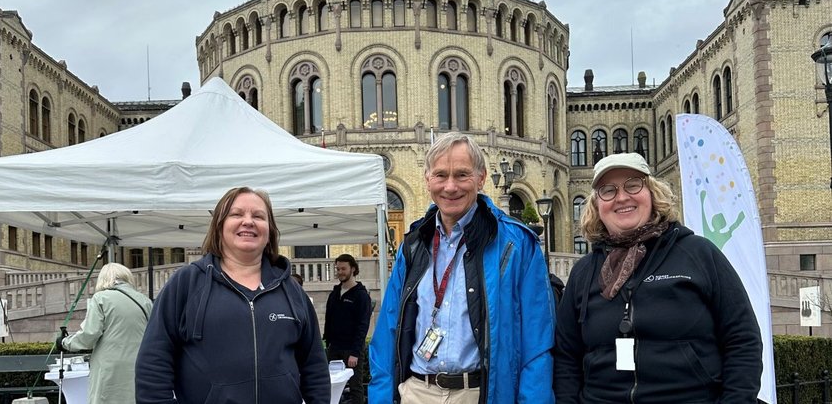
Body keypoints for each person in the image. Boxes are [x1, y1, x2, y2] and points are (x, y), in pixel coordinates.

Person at [553, 153, 762, 403]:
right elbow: (566, 356)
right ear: (597, 205)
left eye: (633, 184)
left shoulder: (698, 254)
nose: (621, 197)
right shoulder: (584, 272)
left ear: (652, 193)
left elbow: (742, 339)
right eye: (608, 190)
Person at [369, 133, 555, 404]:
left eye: (462, 175)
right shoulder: (413, 244)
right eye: (441, 175)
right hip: (417, 392)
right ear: (427, 179)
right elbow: (387, 333)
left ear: (481, 179)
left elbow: (537, 345)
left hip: (480, 393)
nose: (450, 186)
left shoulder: (516, 245)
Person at [135, 186, 330, 404]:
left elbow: (315, 368)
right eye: (236, 214)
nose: (248, 221)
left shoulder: (291, 291)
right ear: (219, 227)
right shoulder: (186, 284)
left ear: (270, 232)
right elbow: (152, 365)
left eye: (258, 216)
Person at [56, 262, 152, 404]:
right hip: (139, 366)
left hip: (109, 368)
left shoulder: (101, 298)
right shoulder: (145, 301)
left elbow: (89, 335)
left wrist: (65, 343)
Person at [324, 253, 372, 404]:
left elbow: (363, 326)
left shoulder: (361, 296)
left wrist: (355, 353)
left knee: (355, 387)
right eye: (337, 269)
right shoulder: (334, 294)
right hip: (334, 348)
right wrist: (328, 342)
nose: (339, 272)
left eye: (343, 269)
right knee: (331, 385)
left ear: (353, 269)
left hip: (351, 351)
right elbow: (328, 320)